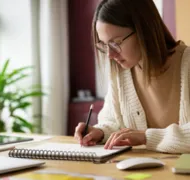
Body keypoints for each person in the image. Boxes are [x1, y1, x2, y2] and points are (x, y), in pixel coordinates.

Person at [74, 0, 190, 153]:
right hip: (145, 173)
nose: (110, 54)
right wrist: (100, 131)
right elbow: (113, 121)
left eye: (116, 43)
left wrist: (146, 137)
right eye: (104, 45)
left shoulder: (186, 64)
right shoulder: (122, 71)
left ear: (144, 30)